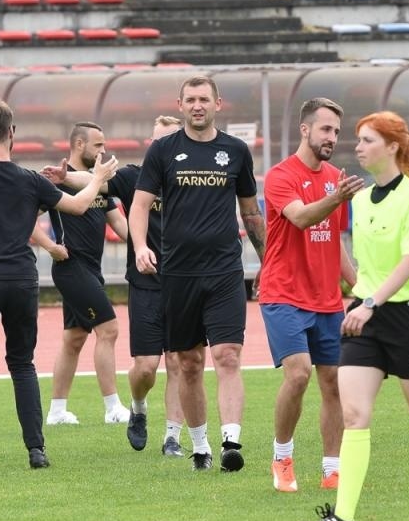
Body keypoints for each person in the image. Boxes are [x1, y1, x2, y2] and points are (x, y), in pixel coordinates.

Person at [297, 112, 409, 521]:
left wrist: (369, 301)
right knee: (354, 414)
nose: (357, 146)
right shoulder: (358, 198)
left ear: (391, 146)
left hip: (407, 319)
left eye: (367, 139)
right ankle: (343, 516)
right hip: (365, 317)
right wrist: (360, 300)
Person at [0, 99, 116, 472]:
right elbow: (79, 206)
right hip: (21, 279)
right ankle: (36, 450)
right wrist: (98, 178)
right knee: (22, 365)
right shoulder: (29, 178)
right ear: (12, 132)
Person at [130, 77, 264, 472]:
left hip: (224, 270)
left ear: (218, 104)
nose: (197, 105)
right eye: (190, 100)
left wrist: (268, 260)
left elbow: (250, 212)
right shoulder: (163, 151)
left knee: (227, 355)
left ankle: (231, 442)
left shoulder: (236, 152)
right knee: (188, 363)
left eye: (204, 99)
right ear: (181, 104)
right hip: (178, 273)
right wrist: (140, 246)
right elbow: (139, 207)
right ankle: (200, 446)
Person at [261, 97, 365, 492]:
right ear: (305, 130)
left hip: (326, 300)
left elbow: (335, 239)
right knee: (299, 374)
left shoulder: (335, 176)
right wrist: (337, 197)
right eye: (325, 129)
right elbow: (302, 218)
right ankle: (282, 457)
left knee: (334, 382)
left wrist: (359, 286)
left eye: (336, 132)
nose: (332, 138)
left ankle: (331, 468)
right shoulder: (280, 176)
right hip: (284, 294)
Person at [100, 115, 186, 455]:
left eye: (168, 139)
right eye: (156, 140)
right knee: (147, 367)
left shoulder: (192, 179)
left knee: (178, 362)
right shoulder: (134, 176)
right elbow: (95, 182)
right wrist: (65, 177)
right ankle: (138, 407)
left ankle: (172, 438)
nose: (160, 146)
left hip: (184, 283)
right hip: (146, 284)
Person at [45, 121, 132, 428]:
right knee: (108, 330)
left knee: (74, 338)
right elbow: (25, 222)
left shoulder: (99, 182)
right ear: (79, 145)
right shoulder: (57, 180)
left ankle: (56, 411)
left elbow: (120, 225)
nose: (103, 151)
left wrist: (150, 243)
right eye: (98, 145)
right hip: (71, 268)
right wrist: (50, 247)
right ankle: (113, 408)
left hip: (90, 270)